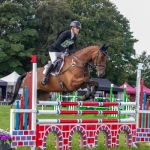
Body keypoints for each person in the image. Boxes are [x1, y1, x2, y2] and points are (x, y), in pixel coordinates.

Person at [41, 21, 81, 85]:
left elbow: (70, 47)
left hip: (62, 51)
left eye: (79, 28)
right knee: (55, 62)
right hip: (54, 50)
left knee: (70, 61)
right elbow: (57, 44)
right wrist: (64, 50)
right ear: (72, 28)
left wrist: (71, 52)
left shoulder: (74, 37)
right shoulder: (65, 34)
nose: (78, 30)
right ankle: (45, 78)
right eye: (77, 28)